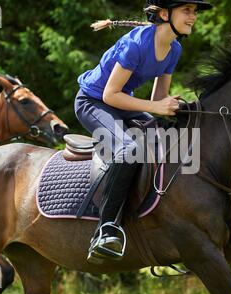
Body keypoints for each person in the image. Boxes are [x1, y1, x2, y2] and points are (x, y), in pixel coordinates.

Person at [74, 0, 213, 263]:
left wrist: (175, 107)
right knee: (128, 150)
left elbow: (158, 98)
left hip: (122, 103)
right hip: (93, 102)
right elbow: (109, 94)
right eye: (187, 10)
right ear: (164, 14)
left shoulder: (174, 49)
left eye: (194, 12)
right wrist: (157, 106)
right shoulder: (136, 44)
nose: (193, 17)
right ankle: (106, 229)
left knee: (166, 138)